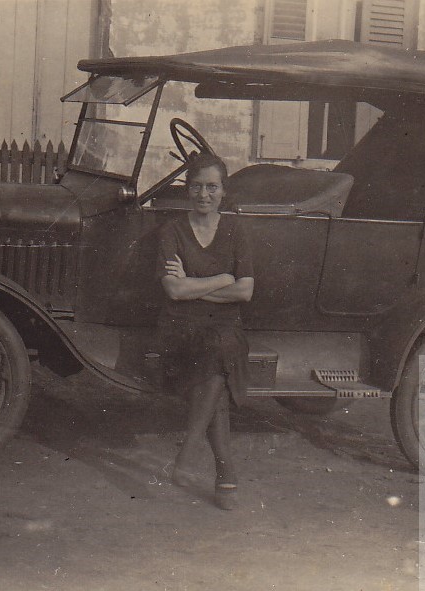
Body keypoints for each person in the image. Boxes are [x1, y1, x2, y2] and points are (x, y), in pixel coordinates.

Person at [157, 152, 254, 510]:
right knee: (218, 360)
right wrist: (222, 279)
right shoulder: (172, 231)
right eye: (197, 186)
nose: (204, 195)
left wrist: (194, 286)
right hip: (180, 326)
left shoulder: (235, 231)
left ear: (223, 191)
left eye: (212, 187)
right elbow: (173, 290)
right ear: (187, 190)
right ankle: (223, 470)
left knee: (219, 350)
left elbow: (245, 291)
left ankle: (191, 449)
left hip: (225, 327)